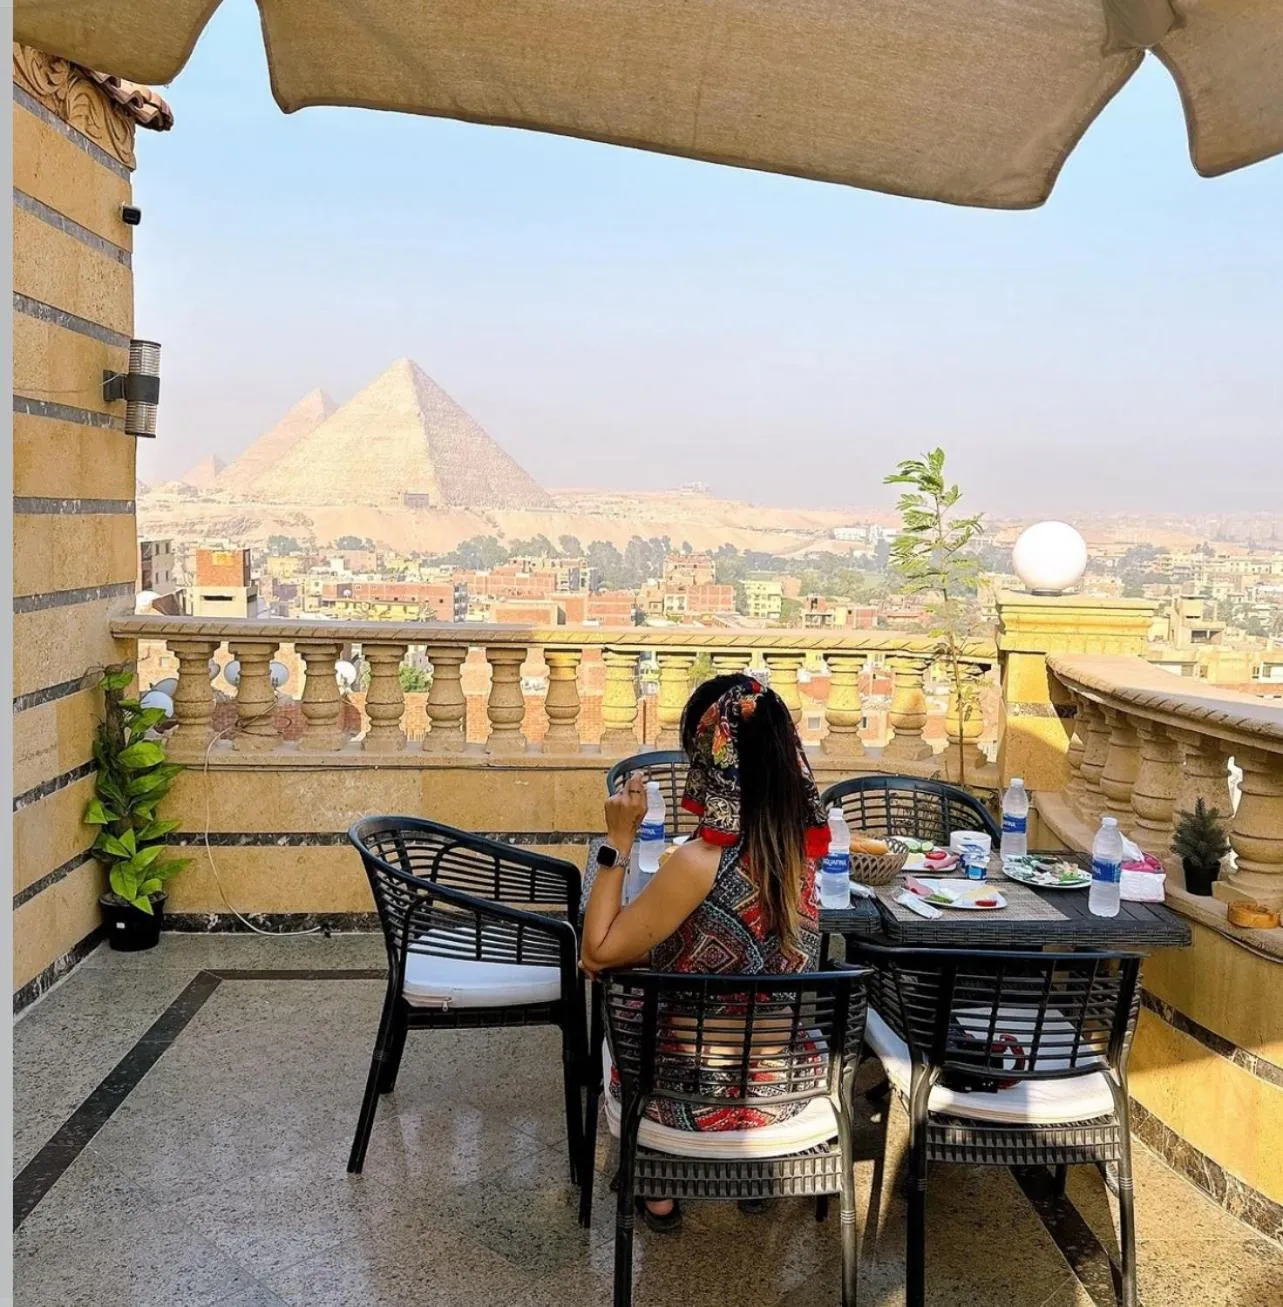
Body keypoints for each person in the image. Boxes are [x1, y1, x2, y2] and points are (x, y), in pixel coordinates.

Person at [580, 674, 831, 1232]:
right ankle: (756, 1174)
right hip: (784, 1093)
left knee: (621, 1000)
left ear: (709, 758)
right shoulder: (807, 853)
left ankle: (661, 1185)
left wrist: (617, 840)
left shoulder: (698, 863)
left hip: (682, 1095)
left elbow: (595, 953)